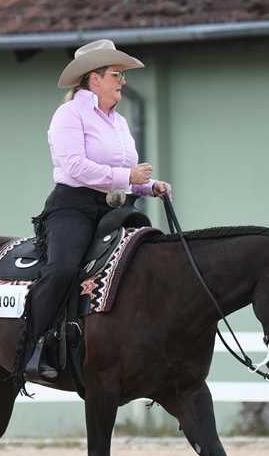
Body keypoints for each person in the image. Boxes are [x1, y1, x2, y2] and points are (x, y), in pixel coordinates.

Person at [18, 39, 172, 384]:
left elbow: (122, 173)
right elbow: (75, 167)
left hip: (115, 207)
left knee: (146, 262)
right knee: (62, 269)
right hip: (73, 206)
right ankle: (34, 345)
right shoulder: (69, 115)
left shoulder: (119, 122)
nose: (123, 81)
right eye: (117, 74)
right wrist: (128, 178)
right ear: (94, 78)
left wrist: (149, 187)